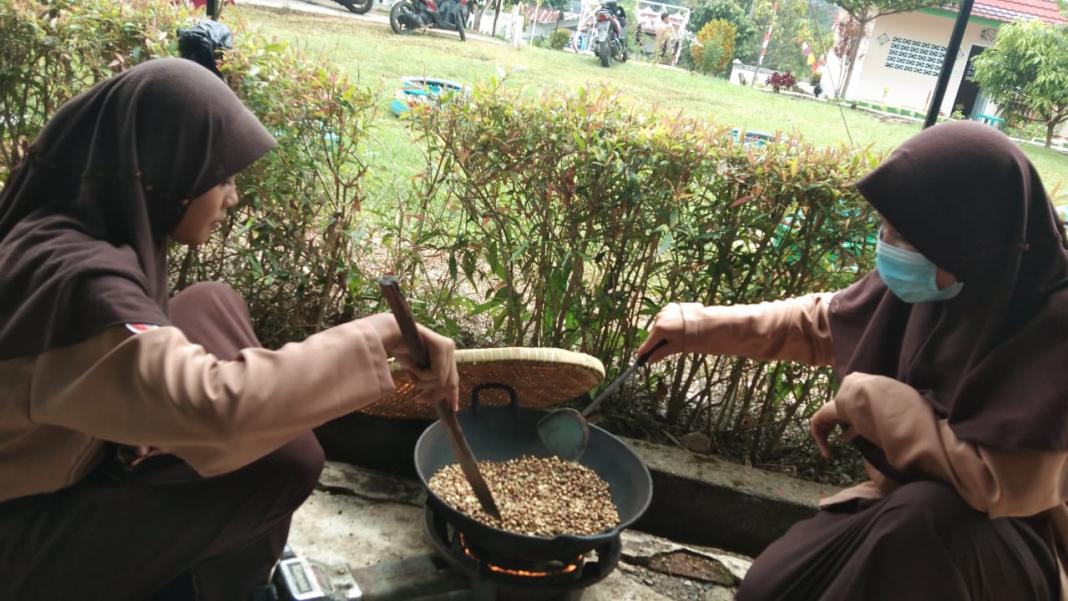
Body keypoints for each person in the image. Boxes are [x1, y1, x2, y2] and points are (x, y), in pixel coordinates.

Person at [0, 58, 460, 601]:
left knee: (211, 301)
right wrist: (380, 333)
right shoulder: (80, 285)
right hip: (23, 529)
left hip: (56, 449)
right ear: (162, 172)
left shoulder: (66, 224)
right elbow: (217, 409)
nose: (233, 196)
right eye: (220, 177)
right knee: (284, 463)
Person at [638, 121, 1068, 600]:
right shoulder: (946, 275)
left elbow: (997, 485)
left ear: (977, 241)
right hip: (902, 507)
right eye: (886, 228)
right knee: (771, 587)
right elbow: (822, 322)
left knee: (916, 527)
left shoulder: (1053, 327)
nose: (889, 247)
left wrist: (868, 400)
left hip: (1009, 544)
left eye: (906, 237)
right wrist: (696, 325)